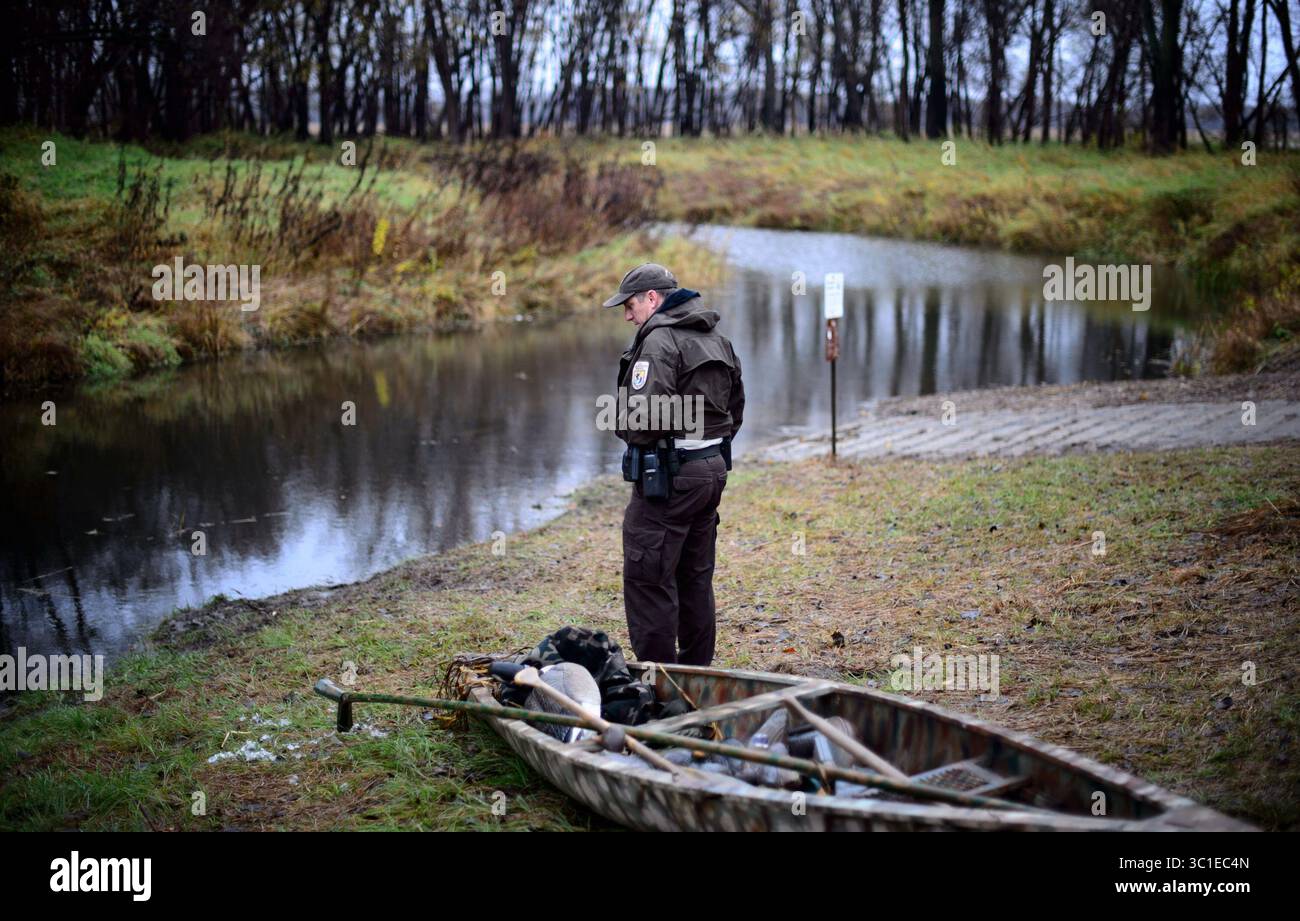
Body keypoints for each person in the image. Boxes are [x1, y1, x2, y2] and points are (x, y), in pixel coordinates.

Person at [602, 263, 744, 666]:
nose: (628, 316)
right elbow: (735, 409)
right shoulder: (718, 339)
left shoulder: (660, 342)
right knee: (695, 577)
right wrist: (707, 447)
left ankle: (659, 681)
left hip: (670, 478)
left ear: (652, 298)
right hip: (711, 471)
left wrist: (619, 421)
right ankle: (699, 676)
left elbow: (642, 420)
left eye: (629, 305)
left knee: (649, 578)